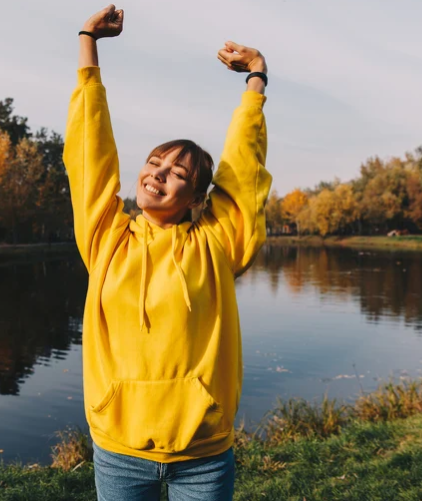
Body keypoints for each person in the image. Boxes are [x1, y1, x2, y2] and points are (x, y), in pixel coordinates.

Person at [62, 4, 272, 500]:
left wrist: (257, 78)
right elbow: (90, 149)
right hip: (119, 450)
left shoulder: (218, 243)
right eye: (155, 163)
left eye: (177, 172)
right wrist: (87, 43)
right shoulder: (105, 236)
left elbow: (242, 176)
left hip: (202, 454)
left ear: (199, 198)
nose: (158, 173)